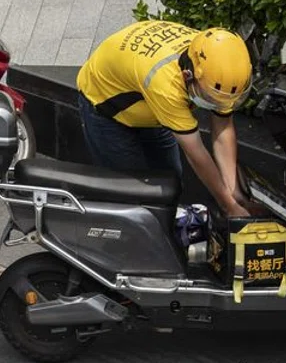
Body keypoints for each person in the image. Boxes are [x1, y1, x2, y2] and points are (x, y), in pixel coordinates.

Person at [76, 20, 254, 218]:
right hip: (107, 110)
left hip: (148, 105)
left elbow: (223, 130)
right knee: (136, 197)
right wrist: (228, 206)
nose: (217, 104)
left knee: (170, 184)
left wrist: (234, 192)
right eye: (210, 99)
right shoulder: (166, 85)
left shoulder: (216, 64)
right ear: (188, 75)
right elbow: (196, 154)